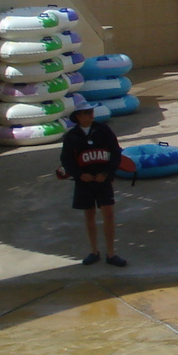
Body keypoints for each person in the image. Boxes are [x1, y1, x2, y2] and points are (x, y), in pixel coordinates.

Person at [57, 105, 127, 267]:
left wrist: (107, 173)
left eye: (92, 112)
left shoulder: (104, 130)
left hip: (103, 180)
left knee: (108, 214)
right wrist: (80, 175)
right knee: (89, 215)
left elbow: (115, 153)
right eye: (87, 113)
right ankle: (93, 251)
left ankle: (111, 253)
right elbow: (66, 160)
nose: (91, 115)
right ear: (78, 116)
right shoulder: (71, 137)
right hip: (84, 183)